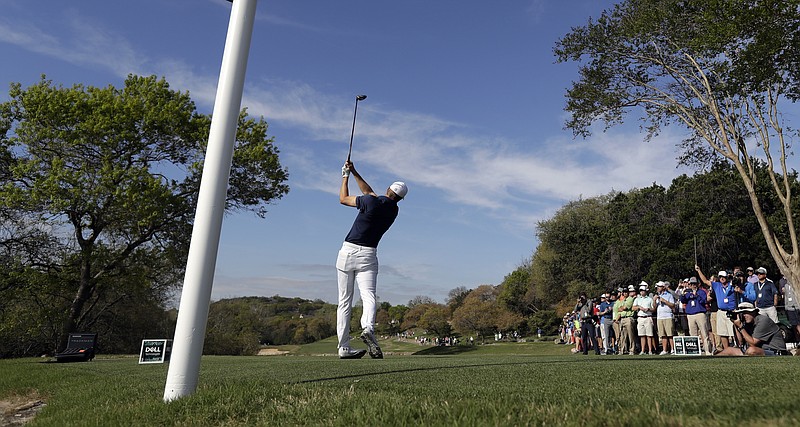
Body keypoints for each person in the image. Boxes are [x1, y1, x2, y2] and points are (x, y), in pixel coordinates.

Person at [336, 160, 407, 359]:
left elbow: (343, 199)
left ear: (387, 190)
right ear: (400, 199)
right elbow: (370, 193)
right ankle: (368, 328)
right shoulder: (393, 210)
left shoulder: (370, 201)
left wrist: (345, 176)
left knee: (344, 302)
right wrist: (355, 172)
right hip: (368, 255)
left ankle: (343, 348)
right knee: (368, 296)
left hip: (347, 252)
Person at [717, 302, 787, 356]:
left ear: (754, 312)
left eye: (746, 313)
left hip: (775, 351)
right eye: (741, 314)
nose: (744, 316)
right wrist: (736, 325)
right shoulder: (746, 323)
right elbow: (740, 343)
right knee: (728, 350)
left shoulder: (763, 321)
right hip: (757, 349)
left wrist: (741, 327)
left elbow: (753, 343)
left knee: (751, 350)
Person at [696, 266, 736, 351]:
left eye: (724, 277)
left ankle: (737, 347)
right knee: (722, 332)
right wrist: (699, 270)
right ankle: (727, 350)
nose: (722, 279)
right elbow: (705, 281)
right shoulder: (717, 285)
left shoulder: (732, 284)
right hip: (721, 311)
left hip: (731, 311)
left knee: (733, 332)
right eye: (720, 277)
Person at [681, 277, 712, 355]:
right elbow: (683, 300)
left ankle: (707, 350)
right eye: (692, 284)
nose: (693, 286)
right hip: (690, 315)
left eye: (695, 284)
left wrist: (696, 295)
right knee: (693, 334)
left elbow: (704, 301)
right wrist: (683, 294)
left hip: (700, 313)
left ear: (698, 284)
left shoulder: (701, 292)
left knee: (704, 333)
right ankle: (695, 350)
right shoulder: (687, 292)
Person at [632, 281, 656, 355]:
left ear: (646, 291)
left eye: (643, 291)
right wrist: (639, 307)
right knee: (642, 335)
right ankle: (642, 350)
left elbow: (653, 309)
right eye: (641, 291)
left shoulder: (649, 299)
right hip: (640, 318)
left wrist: (648, 309)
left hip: (648, 317)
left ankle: (650, 350)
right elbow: (633, 308)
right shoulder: (637, 299)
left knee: (649, 335)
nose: (642, 292)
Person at [654, 281, 676, 355]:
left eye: (659, 287)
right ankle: (664, 350)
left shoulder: (669, 295)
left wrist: (665, 301)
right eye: (657, 287)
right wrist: (654, 300)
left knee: (670, 334)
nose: (658, 288)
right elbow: (654, 307)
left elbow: (673, 305)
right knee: (662, 334)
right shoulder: (657, 296)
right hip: (660, 317)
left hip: (668, 316)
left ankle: (672, 349)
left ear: (663, 287)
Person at [616, 285, 637, 355]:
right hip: (622, 318)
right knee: (622, 335)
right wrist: (621, 308)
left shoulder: (630, 299)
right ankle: (622, 350)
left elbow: (624, 308)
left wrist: (621, 308)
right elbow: (618, 309)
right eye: (623, 292)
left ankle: (632, 350)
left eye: (626, 292)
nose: (624, 294)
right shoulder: (622, 300)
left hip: (628, 318)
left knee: (631, 335)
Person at [779, 275, 800, 343]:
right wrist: (786, 306)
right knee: (793, 325)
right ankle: (797, 340)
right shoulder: (786, 286)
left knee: (798, 324)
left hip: (797, 307)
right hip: (789, 308)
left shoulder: (797, 285)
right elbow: (786, 297)